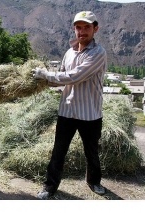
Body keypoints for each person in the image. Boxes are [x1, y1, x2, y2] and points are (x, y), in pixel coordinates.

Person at [32, 11, 107, 199]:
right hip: (67, 110)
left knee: (91, 152)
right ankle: (49, 187)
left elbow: (74, 77)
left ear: (95, 29)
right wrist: (39, 82)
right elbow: (61, 78)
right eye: (78, 28)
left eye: (86, 27)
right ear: (74, 29)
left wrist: (45, 74)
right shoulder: (69, 52)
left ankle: (94, 181)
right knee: (58, 151)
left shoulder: (98, 53)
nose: (82, 32)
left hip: (89, 113)